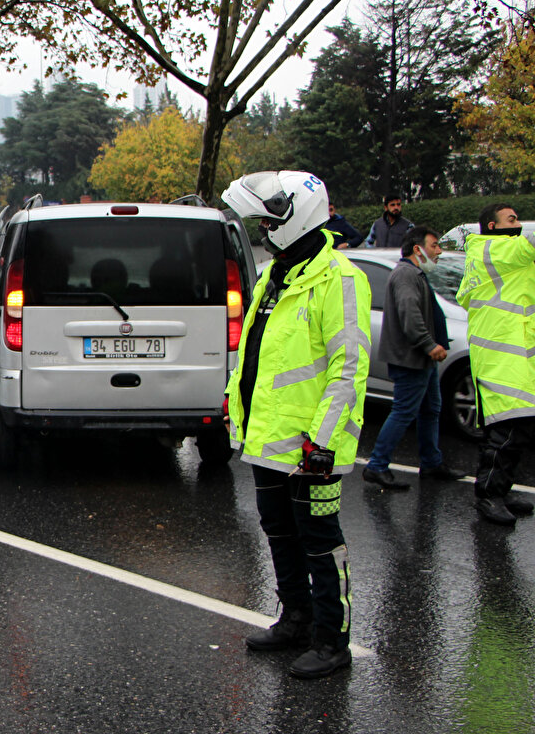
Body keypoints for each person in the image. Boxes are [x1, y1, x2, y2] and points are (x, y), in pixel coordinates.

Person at [222, 170, 371, 679]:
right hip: (267, 440)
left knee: (321, 542)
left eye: (268, 220)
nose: (263, 229)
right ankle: (296, 619)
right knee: (279, 534)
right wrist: (233, 407)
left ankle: (333, 641)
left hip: (312, 448)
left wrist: (323, 441)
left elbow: (348, 368)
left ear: (295, 215)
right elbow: (256, 356)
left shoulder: (341, 278)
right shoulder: (275, 274)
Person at [362, 227, 463, 490]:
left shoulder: (415, 273)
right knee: (404, 411)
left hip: (421, 359)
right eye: (434, 245)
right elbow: (410, 315)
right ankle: (376, 466)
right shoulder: (406, 274)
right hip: (411, 358)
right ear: (417, 249)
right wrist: (429, 345)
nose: (438, 251)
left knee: (431, 409)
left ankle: (431, 463)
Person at [455, 203, 535, 526]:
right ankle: (488, 495)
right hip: (502, 358)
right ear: (492, 226)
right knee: (505, 432)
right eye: (511, 219)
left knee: (517, 429)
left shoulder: (499, 255)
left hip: (512, 355)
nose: (517, 224)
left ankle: (500, 489)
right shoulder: (493, 249)